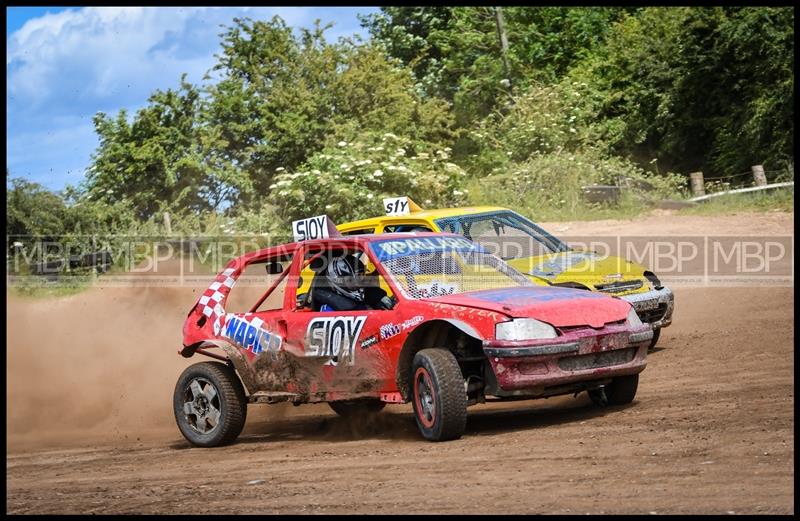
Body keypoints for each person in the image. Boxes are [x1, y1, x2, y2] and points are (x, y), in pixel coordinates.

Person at [312, 254, 394, 312]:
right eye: (357, 276)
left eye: (362, 275)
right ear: (339, 280)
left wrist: (380, 300)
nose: (361, 280)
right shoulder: (330, 311)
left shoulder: (366, 295)